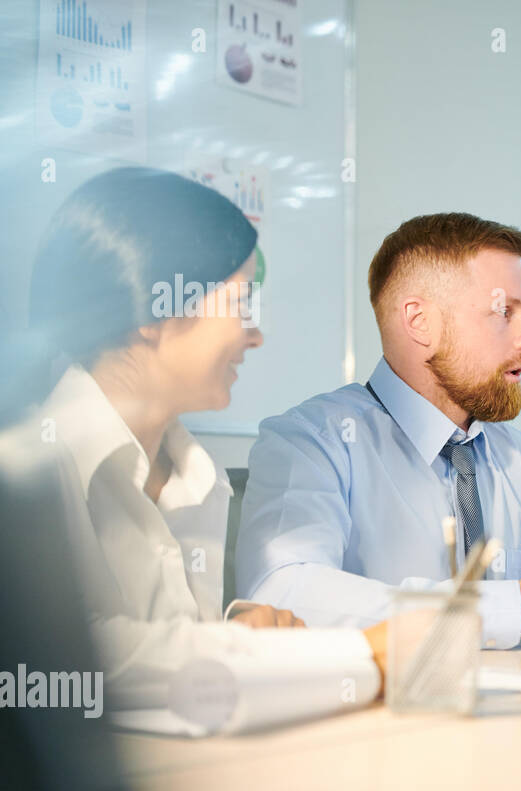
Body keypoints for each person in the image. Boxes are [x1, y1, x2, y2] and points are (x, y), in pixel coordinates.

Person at [18, 166, 388, 733]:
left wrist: (234, 628)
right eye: (240, 304)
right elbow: (77, 662)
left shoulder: (195, 475)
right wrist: (360, 654)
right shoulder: (30, 470)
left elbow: (161, 657)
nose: (254, 334)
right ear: (152, 311)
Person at [236, 213, 521, 646]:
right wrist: (511, 607)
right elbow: (283, 591)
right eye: (505, 312)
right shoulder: (312, 442)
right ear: (419, 322)